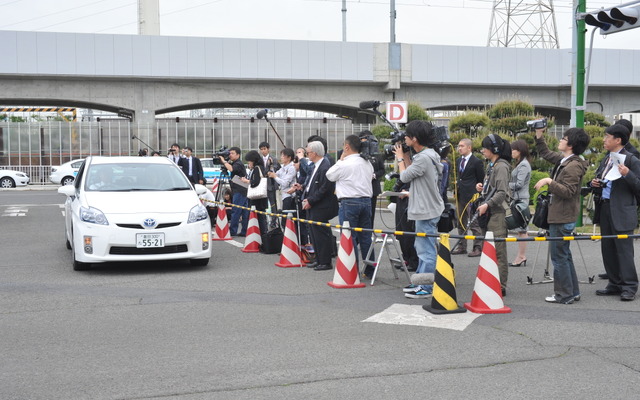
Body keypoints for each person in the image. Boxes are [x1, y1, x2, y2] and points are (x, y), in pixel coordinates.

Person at [534, 127, 591, 304]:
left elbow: (569, 191)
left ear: (571, 144)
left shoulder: (573, 165)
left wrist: (549, 181)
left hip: (562, 216)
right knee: (564, 256)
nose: (560, 140)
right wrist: (538, 136)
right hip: (561, 215)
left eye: (564, 138)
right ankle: (572, 292)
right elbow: (545, 153)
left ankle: (564, 294)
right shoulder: (565, 160)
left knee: (559, 258)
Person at [393, 120, 444, 299]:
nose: (404, 138)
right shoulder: (427, 155)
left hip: (426, 209)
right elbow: (414, 175)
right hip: (427, 207)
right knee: (422, 246)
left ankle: (427, 287)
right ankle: (420, 282)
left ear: (414, 138)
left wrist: (400, 157)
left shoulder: (423, 158)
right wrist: (406, 156)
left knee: (426, 250)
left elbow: (405, 175)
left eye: (407, 136)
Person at [590, 124, 640, 302]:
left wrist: (628, 174)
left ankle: (629, 286)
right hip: (605, 207)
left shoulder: (631, 160)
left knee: (624, 250)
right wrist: (594, 183)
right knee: (608, 248)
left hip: (622, 210)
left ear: (618, 140)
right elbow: (600, 178)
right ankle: (614, 283)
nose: (604, 140)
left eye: (607, 137)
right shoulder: (607, 159)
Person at [326, 135, 374, 275]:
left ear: (347, 147)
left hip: (349, 202)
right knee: (365, 236)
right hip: (366, 201)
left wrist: (340, 161)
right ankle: (370, 270)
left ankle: (352, 270)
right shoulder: (367, 162)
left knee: (349, 236)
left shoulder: (344, 163)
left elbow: (329, 175)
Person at [292, 141, 338, 271]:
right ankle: (318, 259)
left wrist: (310, 200)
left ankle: (325, 261)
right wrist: (302, 187)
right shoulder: (316, 165)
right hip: (313, 203)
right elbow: (312, 184)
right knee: (313, 234)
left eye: (308, 152)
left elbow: (324, 188)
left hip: (321, 205)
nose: (307, 155)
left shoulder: (325, 166)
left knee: (320, 234)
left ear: (315, 153)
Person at [476, 134, 512, 296]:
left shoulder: (501, 166)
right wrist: (481, 189)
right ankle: (491, 282)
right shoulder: (492, 165)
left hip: (498, 214)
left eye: (485, 147)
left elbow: (502, 192)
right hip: (490, 212)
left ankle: (501, 286)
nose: (483, 150)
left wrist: (487, 204)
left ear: (494, 149)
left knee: (498, 251)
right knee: (489, 250)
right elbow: (492, 188)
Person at [451, 138, 485, 256]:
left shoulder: (476, 161)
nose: (459, 148)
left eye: (462, 146)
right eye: (458, 146)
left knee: (474, 222)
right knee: (460, 221)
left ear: (469, 147)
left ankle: (477, 247)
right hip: (460, 194)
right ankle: (462, 246)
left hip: (472, 195)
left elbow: (481, 179)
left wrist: (479, 193)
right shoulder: (459, 160)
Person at [508, 139, 532, 267]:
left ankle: (521, 256)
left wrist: (505, 185)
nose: (511, 152)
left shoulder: (523, 165)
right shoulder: (520, 163)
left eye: (513, 150)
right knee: (520, 229)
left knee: (522, 229)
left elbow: (519, 184)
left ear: (520, 151)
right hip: (518, 199)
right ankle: (520, 256)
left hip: (521, 200)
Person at [220, 147, 249, 237]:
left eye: (232, 153)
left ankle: (232, 231)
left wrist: (223, 161)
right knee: (244, 211)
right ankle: (244, 231)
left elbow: (231, 169)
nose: (230, 155)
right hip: (242, 189)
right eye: (230, 153)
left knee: (235, 211)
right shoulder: (235, 163)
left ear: (238, 155)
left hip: (239, 190)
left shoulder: (238, 164)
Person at [358, 130, 386, 225]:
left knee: (371, 215)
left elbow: (382, 170)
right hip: (359, 189)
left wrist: (374, 175)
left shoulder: (377, 154)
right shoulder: (357, 154)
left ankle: (369, 234)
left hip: (373, 188)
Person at [268, 148, 297, 228]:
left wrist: (275, 177)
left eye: (283, 156)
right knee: (284, 219)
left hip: (290, 196)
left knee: (287, 219)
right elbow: (275, 174)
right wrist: (271, 167)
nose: (281, 157)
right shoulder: (283, 167)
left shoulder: (292, 168)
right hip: (284, 196)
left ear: (289, 157)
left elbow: (285, 183)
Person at [242, 150, 269, 235]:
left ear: (253, 160)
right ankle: (263, 235)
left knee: (260, 218)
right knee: (261, 217)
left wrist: (247, 181)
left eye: (249, 161)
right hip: (261, 198)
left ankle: (263, 236)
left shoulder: (257, 168)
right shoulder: (260, 167)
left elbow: (255, 182)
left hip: (257, 198)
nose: (249, 163)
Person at [259, 142, 280, 214]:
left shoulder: (273, 159)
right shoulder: (259, 159)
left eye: (264, 149)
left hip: (271, 184)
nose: (263, 151)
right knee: (262, 203)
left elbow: (277, 169)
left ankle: (274, 221)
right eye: (261, 149)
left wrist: (270, 165)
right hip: (262, 184)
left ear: (268, 149)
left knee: (273, 202)